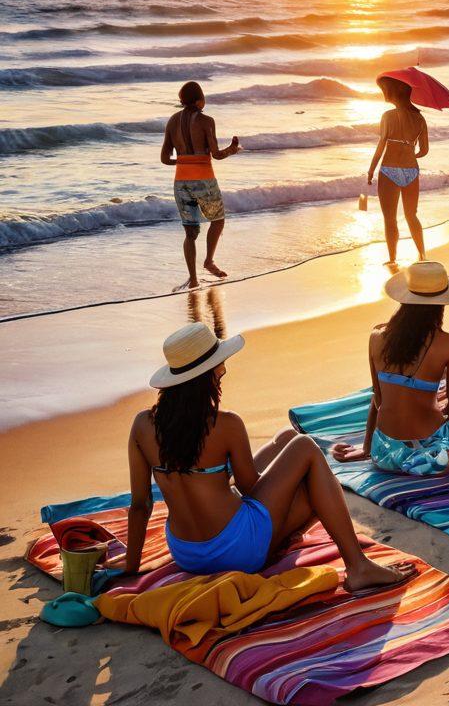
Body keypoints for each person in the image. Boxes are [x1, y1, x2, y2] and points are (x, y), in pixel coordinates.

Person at [124, 322, 414, 589]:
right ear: (208, 375)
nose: (222, 373)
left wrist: (131, 566)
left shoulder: (142, 425)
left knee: (284, 439)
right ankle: (358, 566)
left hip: (186, 552)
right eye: (220, 368)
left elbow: (140, 505)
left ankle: (292, 523)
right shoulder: (226, 424)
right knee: (303, 447)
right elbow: (251, 488)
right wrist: (288, 485)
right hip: (237, 550)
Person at [331, 261, 449, 476]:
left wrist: (367, 448)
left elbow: (379, 398)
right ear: (443, 303)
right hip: (435, 459)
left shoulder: (377, 338)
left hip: (384, 455)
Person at [161, 81, 239, 290]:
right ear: (199, 100)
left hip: (181, 183)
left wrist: (184, 161)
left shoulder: (172, 121)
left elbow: (165, 158)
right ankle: (209, 261)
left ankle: (193, 279)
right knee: (218, 219)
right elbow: (216, 154)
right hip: (204, 180)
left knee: (190, 233)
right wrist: (232, 149)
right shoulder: (207, 121)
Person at [367, 74, 428, 269]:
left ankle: (393, 258)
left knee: (390, 218)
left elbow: (381, 144)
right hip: (411, 170)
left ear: (394, 93)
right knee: (412, 215)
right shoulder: (419, 118)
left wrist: (371, 169)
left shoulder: (388, 116)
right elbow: (424, 150)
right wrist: (409, 152)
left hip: (389, 170)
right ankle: (422, 254)